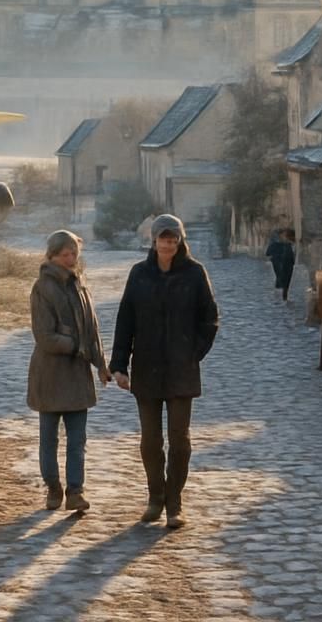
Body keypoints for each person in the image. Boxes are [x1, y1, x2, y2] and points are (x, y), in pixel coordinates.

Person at [110, 214, 219, 530]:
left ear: (180, 241)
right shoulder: (139, 274)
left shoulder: (195, 274)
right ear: (154, 240)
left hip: (182, 371)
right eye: (163, 238)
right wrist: (119, 364)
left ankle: (175, 502)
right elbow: (125, 320)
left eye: (173, 239)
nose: (168, 244)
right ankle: (154, 498)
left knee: (180, 440)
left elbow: (210, 318)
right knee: (150, 440)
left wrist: (192, 351)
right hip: (146, 367)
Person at [27, 229, 109, 514]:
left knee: (78, 441)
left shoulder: (80, 285)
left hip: (77, 377)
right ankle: (53, 487)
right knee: (48, 439)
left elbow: (92, 329)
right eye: (66, 254)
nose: (72, 258)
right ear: (52, 255)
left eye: (74, 253)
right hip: (50, 375)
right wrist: (76, 347)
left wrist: (101, 364)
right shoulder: (43, 288)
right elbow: (44, 336)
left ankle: (76, 490)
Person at [265, 228, 297, 301]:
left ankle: (282, 298)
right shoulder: (279, 245)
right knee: (282, 281)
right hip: (284, 265)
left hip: (286, 265)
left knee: (283, 281)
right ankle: (282, 298)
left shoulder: (288, 245)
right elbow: (268, 253)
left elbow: (268, 253)